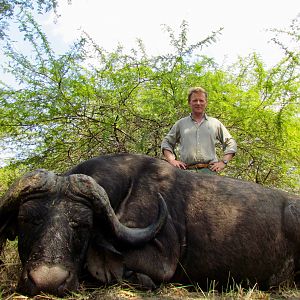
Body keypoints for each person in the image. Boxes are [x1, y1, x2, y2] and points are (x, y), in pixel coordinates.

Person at [161, 86, 237, 174]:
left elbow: (231, 143)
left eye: (201, 100)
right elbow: (166, 142)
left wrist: (223, 162)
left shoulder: (215, 123)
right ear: (189, 103)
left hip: (209, 172)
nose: (198, 103)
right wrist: (172, 160)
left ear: (206, 103)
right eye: (194, 100)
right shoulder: (181, 124)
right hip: (186, 173)